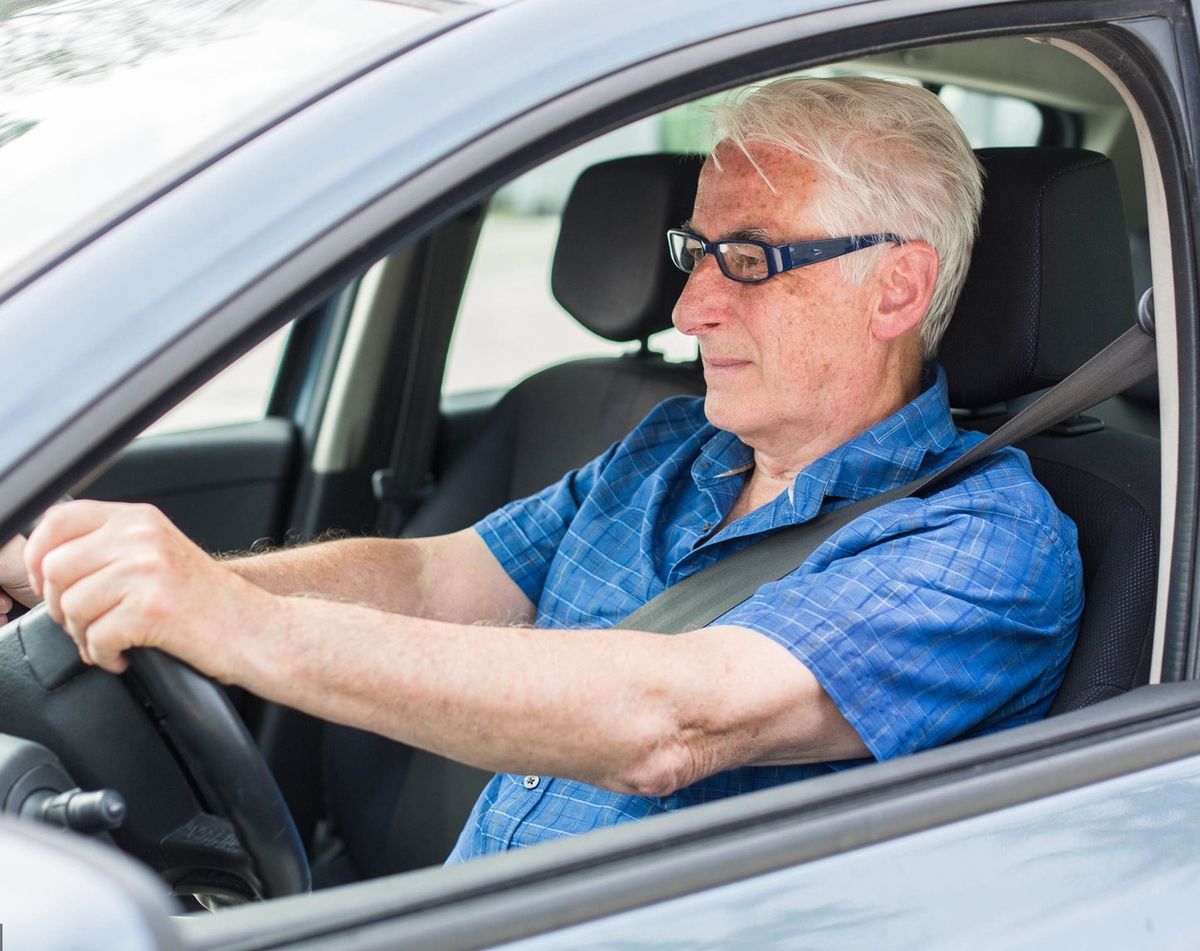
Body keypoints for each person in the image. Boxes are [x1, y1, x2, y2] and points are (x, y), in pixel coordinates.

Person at [0, 76, 1082, 862]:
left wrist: (235, 625)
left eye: (749, 260)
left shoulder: (982, 544)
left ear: (896, 290)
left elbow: (673, 720)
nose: (692, 306)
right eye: (694, 255)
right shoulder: (674, 449)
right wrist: (149, 584)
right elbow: (435, 583)